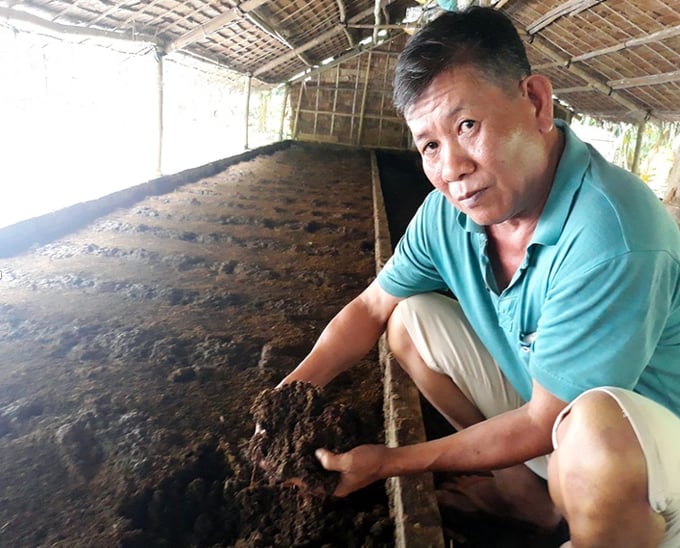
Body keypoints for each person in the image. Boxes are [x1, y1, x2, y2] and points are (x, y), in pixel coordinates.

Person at [277, 7, 680, 547]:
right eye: (429, 145)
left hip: (647, 448)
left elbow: (546, 423)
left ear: (537, 102)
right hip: (551, 408)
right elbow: (370, 309)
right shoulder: (450, 214)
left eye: (467, 125)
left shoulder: (614, 232)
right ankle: (521, 491)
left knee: (590, 445)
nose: (452, 168)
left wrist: (394, 462)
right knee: (408, 318)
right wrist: (286, 400)